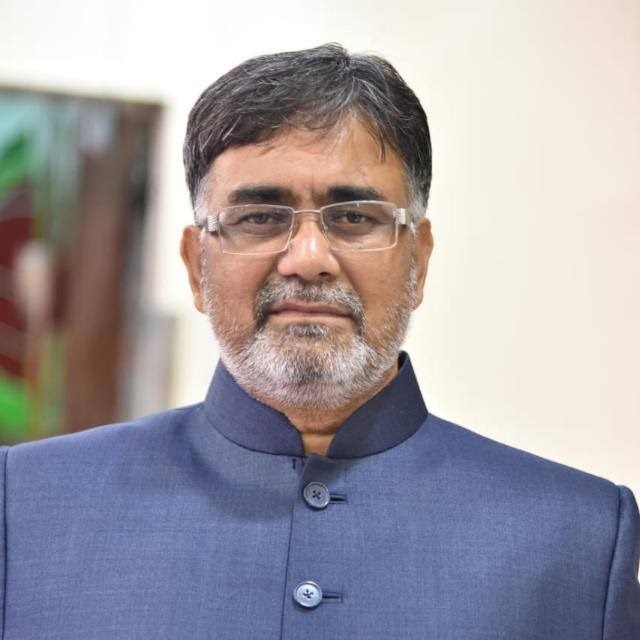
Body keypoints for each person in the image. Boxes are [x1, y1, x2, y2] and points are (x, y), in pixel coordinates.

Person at [1, 44, 638, 640]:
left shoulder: (577, 540)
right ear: (196, 266)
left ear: (418, 261)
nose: (308, 259)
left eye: (355, 217)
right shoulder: (25, 507)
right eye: (259, 218)